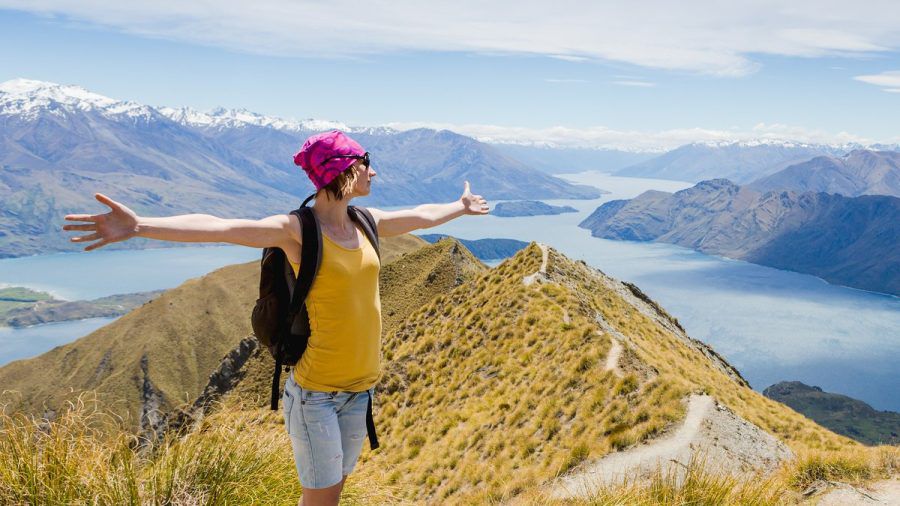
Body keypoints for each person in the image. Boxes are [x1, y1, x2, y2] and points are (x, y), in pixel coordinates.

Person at [62, 130, 490, 506]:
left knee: (334, 492)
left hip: (361, 391)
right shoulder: (295, 231)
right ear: (343, 169)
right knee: (319, 500)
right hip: (317, 395)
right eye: (366, 163)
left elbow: (421, 214)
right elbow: (220, 227)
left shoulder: (365, 222)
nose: (373, 173)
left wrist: (459, 205)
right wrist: (140, 226)